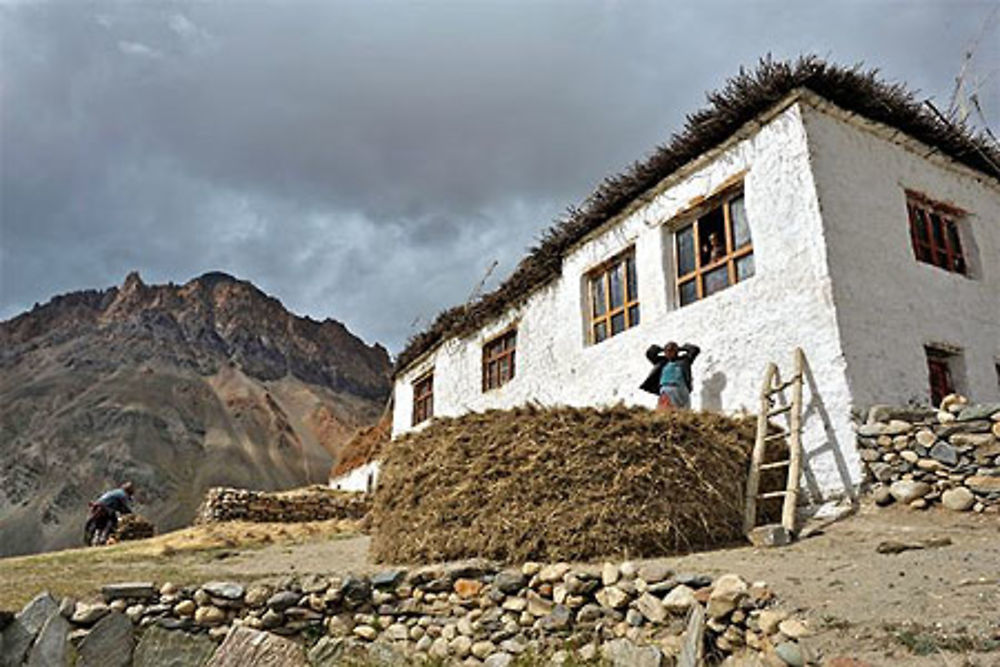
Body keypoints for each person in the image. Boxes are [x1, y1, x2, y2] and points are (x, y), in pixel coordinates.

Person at [640, 341, 700, 410]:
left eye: (672, 350)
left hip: (680, 389)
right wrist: (661, 349)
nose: (669, 353)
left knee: (682, 409)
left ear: (677, 352)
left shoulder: (684, 360)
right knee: (666, 409)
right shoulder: (661, 361)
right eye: (667, 351)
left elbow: (695, 350)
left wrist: (683, 348)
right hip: (666, 389)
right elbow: (650, 353)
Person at [84, 481, 135, 546]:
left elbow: (120, 508)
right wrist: (132, 516)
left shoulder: (117, 492)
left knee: (100, 526)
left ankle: (96, 540)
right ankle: (103, 539)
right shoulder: (123, 494)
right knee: (112, 522)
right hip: (104, 509)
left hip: (97, 508)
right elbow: (125, 508)